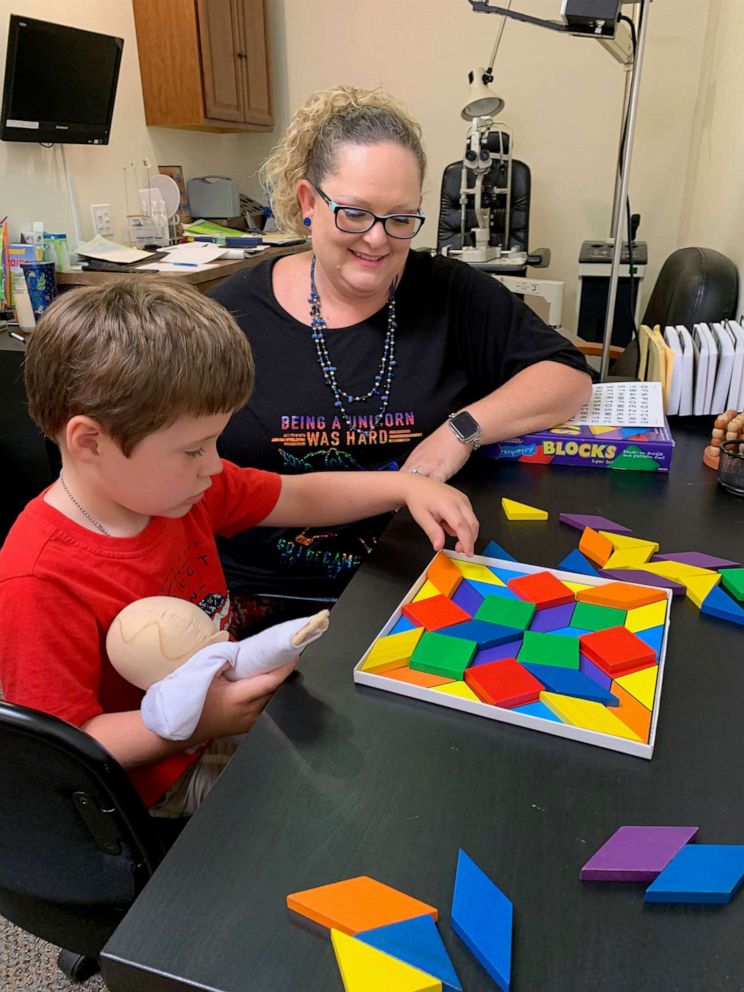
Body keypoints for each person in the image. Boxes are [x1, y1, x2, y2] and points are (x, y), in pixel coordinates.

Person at [0, 279, 477, 816]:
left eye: (216, 443)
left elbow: (296, 494)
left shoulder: (183, 490)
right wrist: (205, 723)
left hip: (224, 708)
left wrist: (403, 485)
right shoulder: (38, 579)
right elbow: (68, 748)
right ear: (90, 442)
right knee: (347, 811)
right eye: (192, 449)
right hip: (161, 781)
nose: (213, 464)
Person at [211, 86, 592, 630]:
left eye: (400, 219)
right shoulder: (228, 318)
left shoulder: (450, 294)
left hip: (420, 591)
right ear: (308, 202)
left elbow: (567, 375)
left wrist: (460, 430)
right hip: (268, 601)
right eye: (355, 214)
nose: (377, 240)